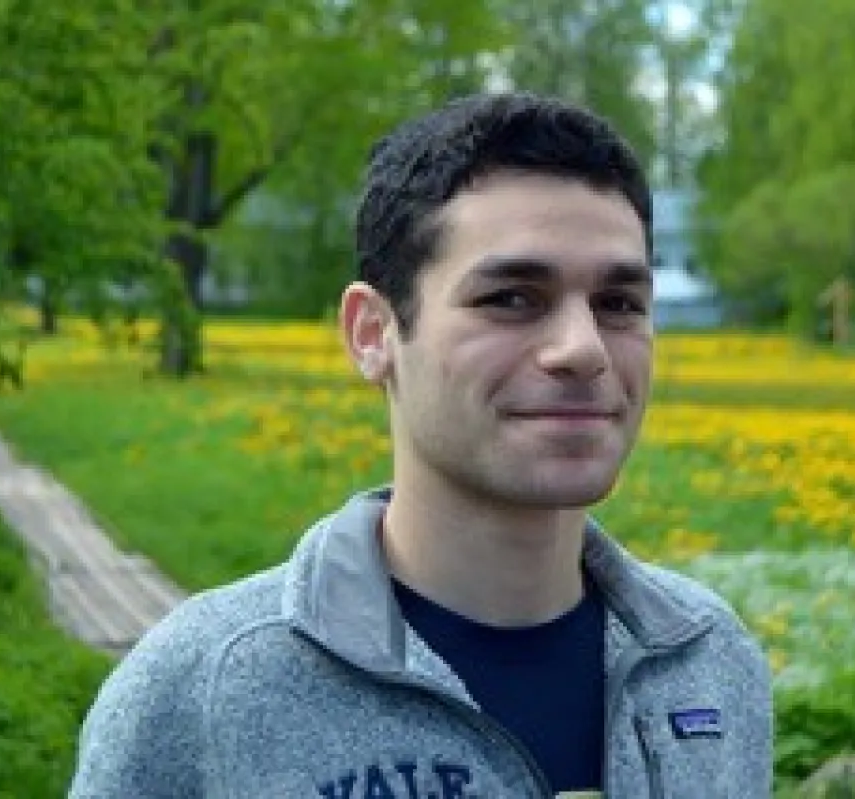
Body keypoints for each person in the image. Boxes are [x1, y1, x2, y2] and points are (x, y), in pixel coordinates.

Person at [68, 92, 773, 798]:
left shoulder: (710, 662)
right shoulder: (199, 695)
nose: (582, 349)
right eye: (512, 298)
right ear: (373, 334)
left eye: (618, 304)